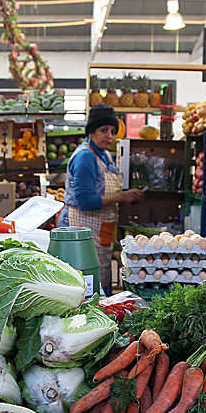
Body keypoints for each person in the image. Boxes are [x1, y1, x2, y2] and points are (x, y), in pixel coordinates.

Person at [63, 104, 143, 294]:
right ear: (91, 131)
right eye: (104, 130)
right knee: (88, 285)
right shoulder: (85, 158)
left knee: (102, 279)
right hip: (82, 229)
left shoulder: (105, 155)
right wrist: (122, 197)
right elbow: (84, 202)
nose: (109, 135)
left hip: (101, 230)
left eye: (113, 131)